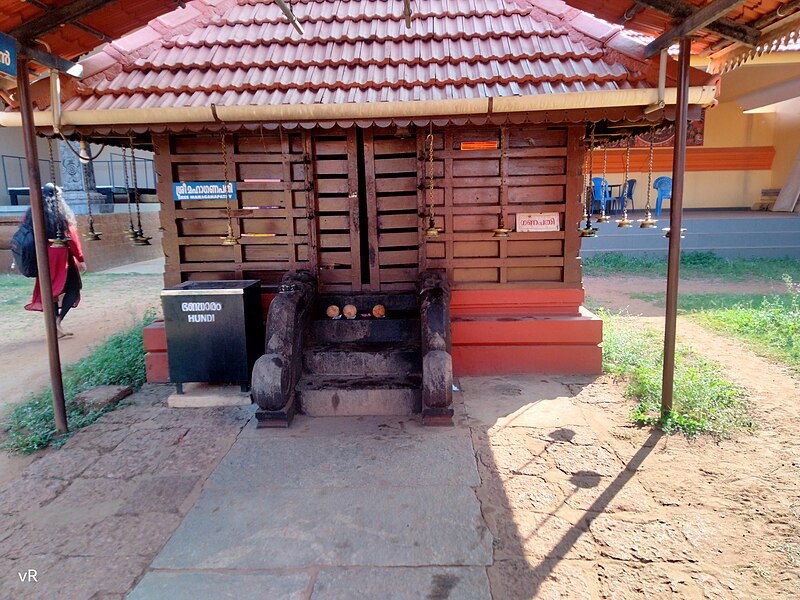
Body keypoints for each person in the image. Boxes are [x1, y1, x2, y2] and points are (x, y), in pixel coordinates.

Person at [24, 183, 87, 338]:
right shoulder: (60, 213)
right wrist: (80, 258)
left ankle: (55, 327)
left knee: (50, 291)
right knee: (73, 288)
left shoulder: (34, 212)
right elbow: (71, 237)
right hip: (60, 254)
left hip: (42, 255)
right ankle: (57, 322)